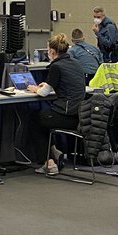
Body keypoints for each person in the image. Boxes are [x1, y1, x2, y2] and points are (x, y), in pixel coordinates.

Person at [25, 33, 88, 175]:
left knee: (36, 119)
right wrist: (48, 84)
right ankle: (54, 152)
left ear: (53, 51)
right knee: (44, 118)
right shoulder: (75, 63)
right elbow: (65, 83)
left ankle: (49, 162)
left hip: (67, 115)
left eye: (48, 50)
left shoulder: (56, 66)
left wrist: (35, 88)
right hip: (80, 114)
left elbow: (43, 93)